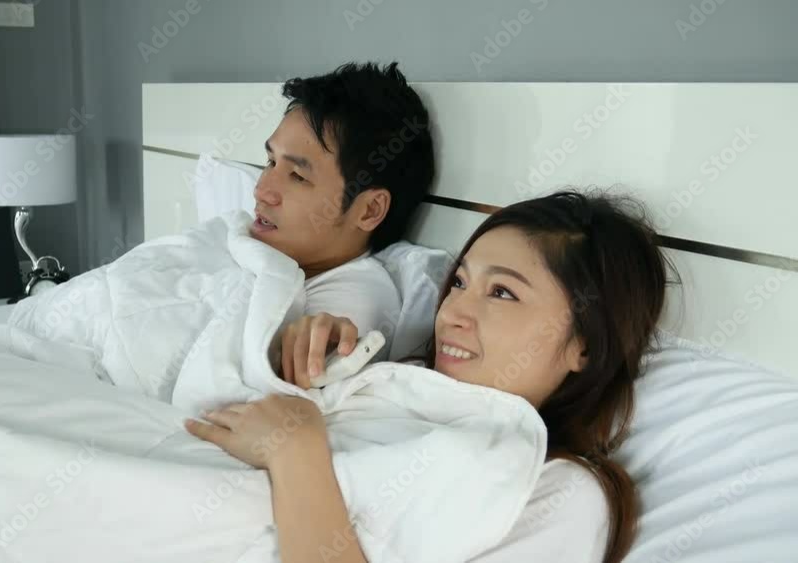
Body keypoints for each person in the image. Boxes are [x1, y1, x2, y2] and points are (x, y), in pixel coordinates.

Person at [186, 190, 675, 563]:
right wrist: (295, 367)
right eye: (459, 282)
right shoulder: (388, 383)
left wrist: (295, 453)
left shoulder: (561, 494)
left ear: (584, 344)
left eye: (502, 293)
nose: (452, 312)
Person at [252, 61, 435, 372]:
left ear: (369, 210)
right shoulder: (250, 246)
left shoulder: (351, 312)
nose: (261, 190)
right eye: (270, 162)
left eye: (297, 176)